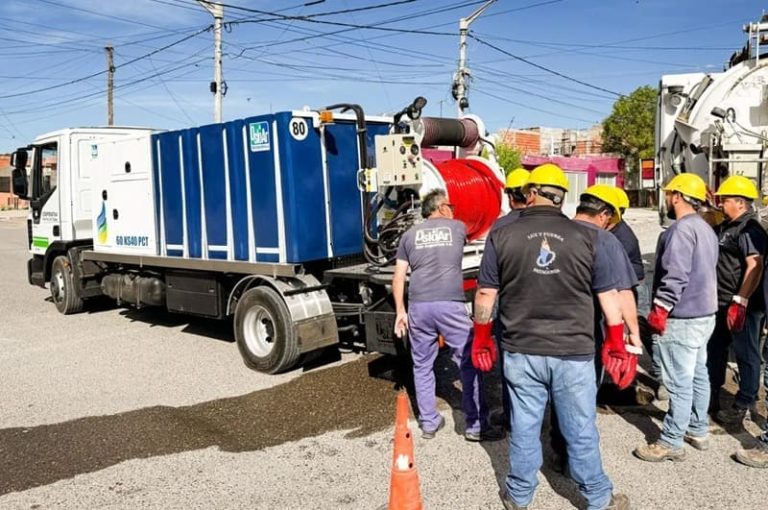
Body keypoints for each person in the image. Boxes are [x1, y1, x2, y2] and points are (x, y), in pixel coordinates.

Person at [472, 164, 633, 510]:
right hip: (574, 352)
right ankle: (598, 498)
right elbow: (609, 297)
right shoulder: (589, 237)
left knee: (525, 426)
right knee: (580, 428)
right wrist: (616, 341)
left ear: (531, 193)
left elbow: (485, 294)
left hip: (521, 349)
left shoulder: (501, 235)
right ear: (563, 197)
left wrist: (481, 337)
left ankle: (518, 495)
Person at [392, 189, 501, 442]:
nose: (453, 209)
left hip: (418, 306)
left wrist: (400, 311)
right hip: (450, 305)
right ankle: (475, 426)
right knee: (468, 361)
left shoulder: (408, 236)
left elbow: (398, 277)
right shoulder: (457, 228)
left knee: (422, 364)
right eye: (450, 205)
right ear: (441, 208)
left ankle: (429, 423)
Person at [634, 173, 718, 462]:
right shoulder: (706, 229)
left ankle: (671, 440)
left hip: (682, 317)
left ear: (679, 197)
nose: (667, 199)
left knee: (679, 381)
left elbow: (676, 275)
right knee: (697, 374)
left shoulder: (681, 230)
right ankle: (697, 428)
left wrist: (660, 308)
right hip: (705, 314)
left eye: (670, 194)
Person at [708, 176, 766, 423]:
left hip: (743, 306)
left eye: (726, 200)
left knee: (746, 353)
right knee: (716, 349)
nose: (722, 204)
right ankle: (711, 395)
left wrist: (741, 301)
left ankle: (744, 402)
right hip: (721, 302)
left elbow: (756, 264)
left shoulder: (749, 229)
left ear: (740, 203)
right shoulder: (728, 225)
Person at [573, 184, 641, 384]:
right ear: (603, 215)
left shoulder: (555, 232)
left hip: (542, 333)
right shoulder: (606, 240)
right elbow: (621, 293)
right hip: (585, 333)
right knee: (580, 400)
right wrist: (631, 334)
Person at [490, 167, 530, 429]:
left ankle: (512, 416)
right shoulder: (552, 221)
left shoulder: (501, 226)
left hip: (510, 311)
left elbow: (489, 281)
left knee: (511, 369)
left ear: (509, 195)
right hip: (545, 309)